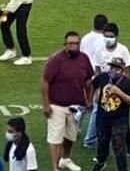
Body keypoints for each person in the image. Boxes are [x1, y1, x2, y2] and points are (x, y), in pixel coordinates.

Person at [41, 32, 94, 171]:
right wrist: (46, 104)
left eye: (77, 43)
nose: (74, 46)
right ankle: (55, 168)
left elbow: (89, 80)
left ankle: (65, 159)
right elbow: (45, 81)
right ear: (65, 45)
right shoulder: (56, 60)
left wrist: (89, 99)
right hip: (57, 104)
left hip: (76, 106)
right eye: (71, 43)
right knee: (55, 138)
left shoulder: (84, 58)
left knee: (71, 136)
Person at [90, 57, 130, 171]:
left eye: (117, 69)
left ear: (122, 70)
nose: (113, 71)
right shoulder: (103, 77)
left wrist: (119, 93)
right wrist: (90, 100)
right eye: (112, 67)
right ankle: (101, 162)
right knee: (102, 143)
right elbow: (92, 84)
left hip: (119, 120)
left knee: (119, 147)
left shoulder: (127, 83)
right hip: (102, 118)